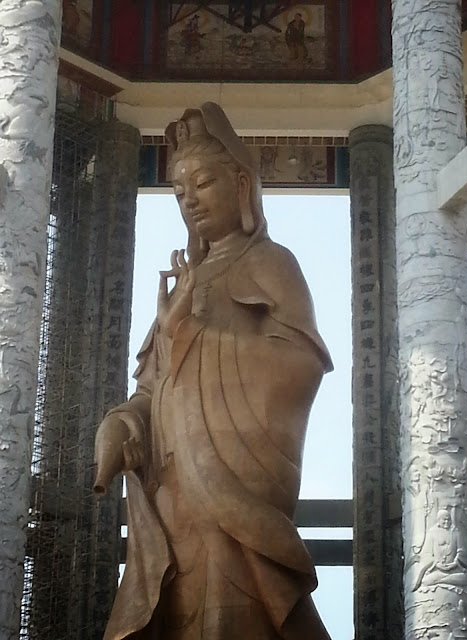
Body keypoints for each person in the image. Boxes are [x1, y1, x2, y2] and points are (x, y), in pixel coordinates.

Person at [94, 102, 333, 640]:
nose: (191, 201)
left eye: (204, 183)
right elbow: (154, 388)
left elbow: (300, 367)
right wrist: (124, 422)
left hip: (234, 491)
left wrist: (191, 333)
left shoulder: (272, 263)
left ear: (242, 184)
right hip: (173, 497)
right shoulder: (186, 281)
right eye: (180, 192)